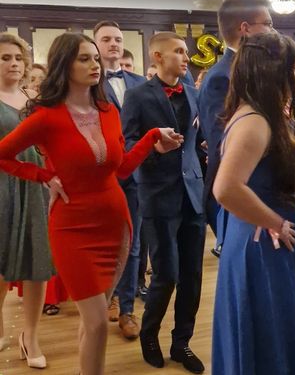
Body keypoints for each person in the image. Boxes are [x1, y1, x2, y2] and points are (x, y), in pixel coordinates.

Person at [0, 32, 181, 375]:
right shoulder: (46, 116)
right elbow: (3, 155)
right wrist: (45, 176)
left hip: (115, 224)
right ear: (64, 65)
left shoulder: (108, 110)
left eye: (95, 58)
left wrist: (151, 137)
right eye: (84, 59)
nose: (94, 65)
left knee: (92, 321)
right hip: (71, 227)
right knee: (98, 322)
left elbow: (122, 168)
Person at [212, 31, 295, 375]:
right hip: (264, 241)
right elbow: (226, 189)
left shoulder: (259, 115)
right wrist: (274, 222)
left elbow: (261, 169)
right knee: (271, 336)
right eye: (291, 70)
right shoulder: (255, 121)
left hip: (266, 236)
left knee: (280, 330)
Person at [121, 32, 206, 374]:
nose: (186, 57)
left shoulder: (194, 93)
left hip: (193, 195)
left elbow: (199, 139)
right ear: (157, 56)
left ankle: (181, 342)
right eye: (179, 51)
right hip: (157, 194)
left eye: (186, 52)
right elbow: (127, 144)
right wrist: (153, 147)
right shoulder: (137, 96)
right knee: (166, 274)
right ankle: (149, 335)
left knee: (192, 276)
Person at [198, 0, 274, 244]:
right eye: (268, 24)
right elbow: (225, 143)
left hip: (259, 185)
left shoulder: (248, 72)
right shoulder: (223, 77)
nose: (273, 31)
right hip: (242, 190)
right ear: (245, 28)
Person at [0, 33, 52, 369]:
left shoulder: (35, 99)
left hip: (36, 188)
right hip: (2, 188)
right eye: (5, 58)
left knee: (38, 265)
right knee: (1, 264)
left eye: (18, 58)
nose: (14, 64)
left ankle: (30, 336)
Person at [93, 20, 147, 338]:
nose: (113, 44)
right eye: (106, 39)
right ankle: (108, 298)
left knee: (133, 243)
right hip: (102, 175)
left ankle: (127, 309)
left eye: (117, 39)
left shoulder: (140, 83)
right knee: (105, 242)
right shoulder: (87, 82)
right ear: (95, 44)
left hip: (137, 175)